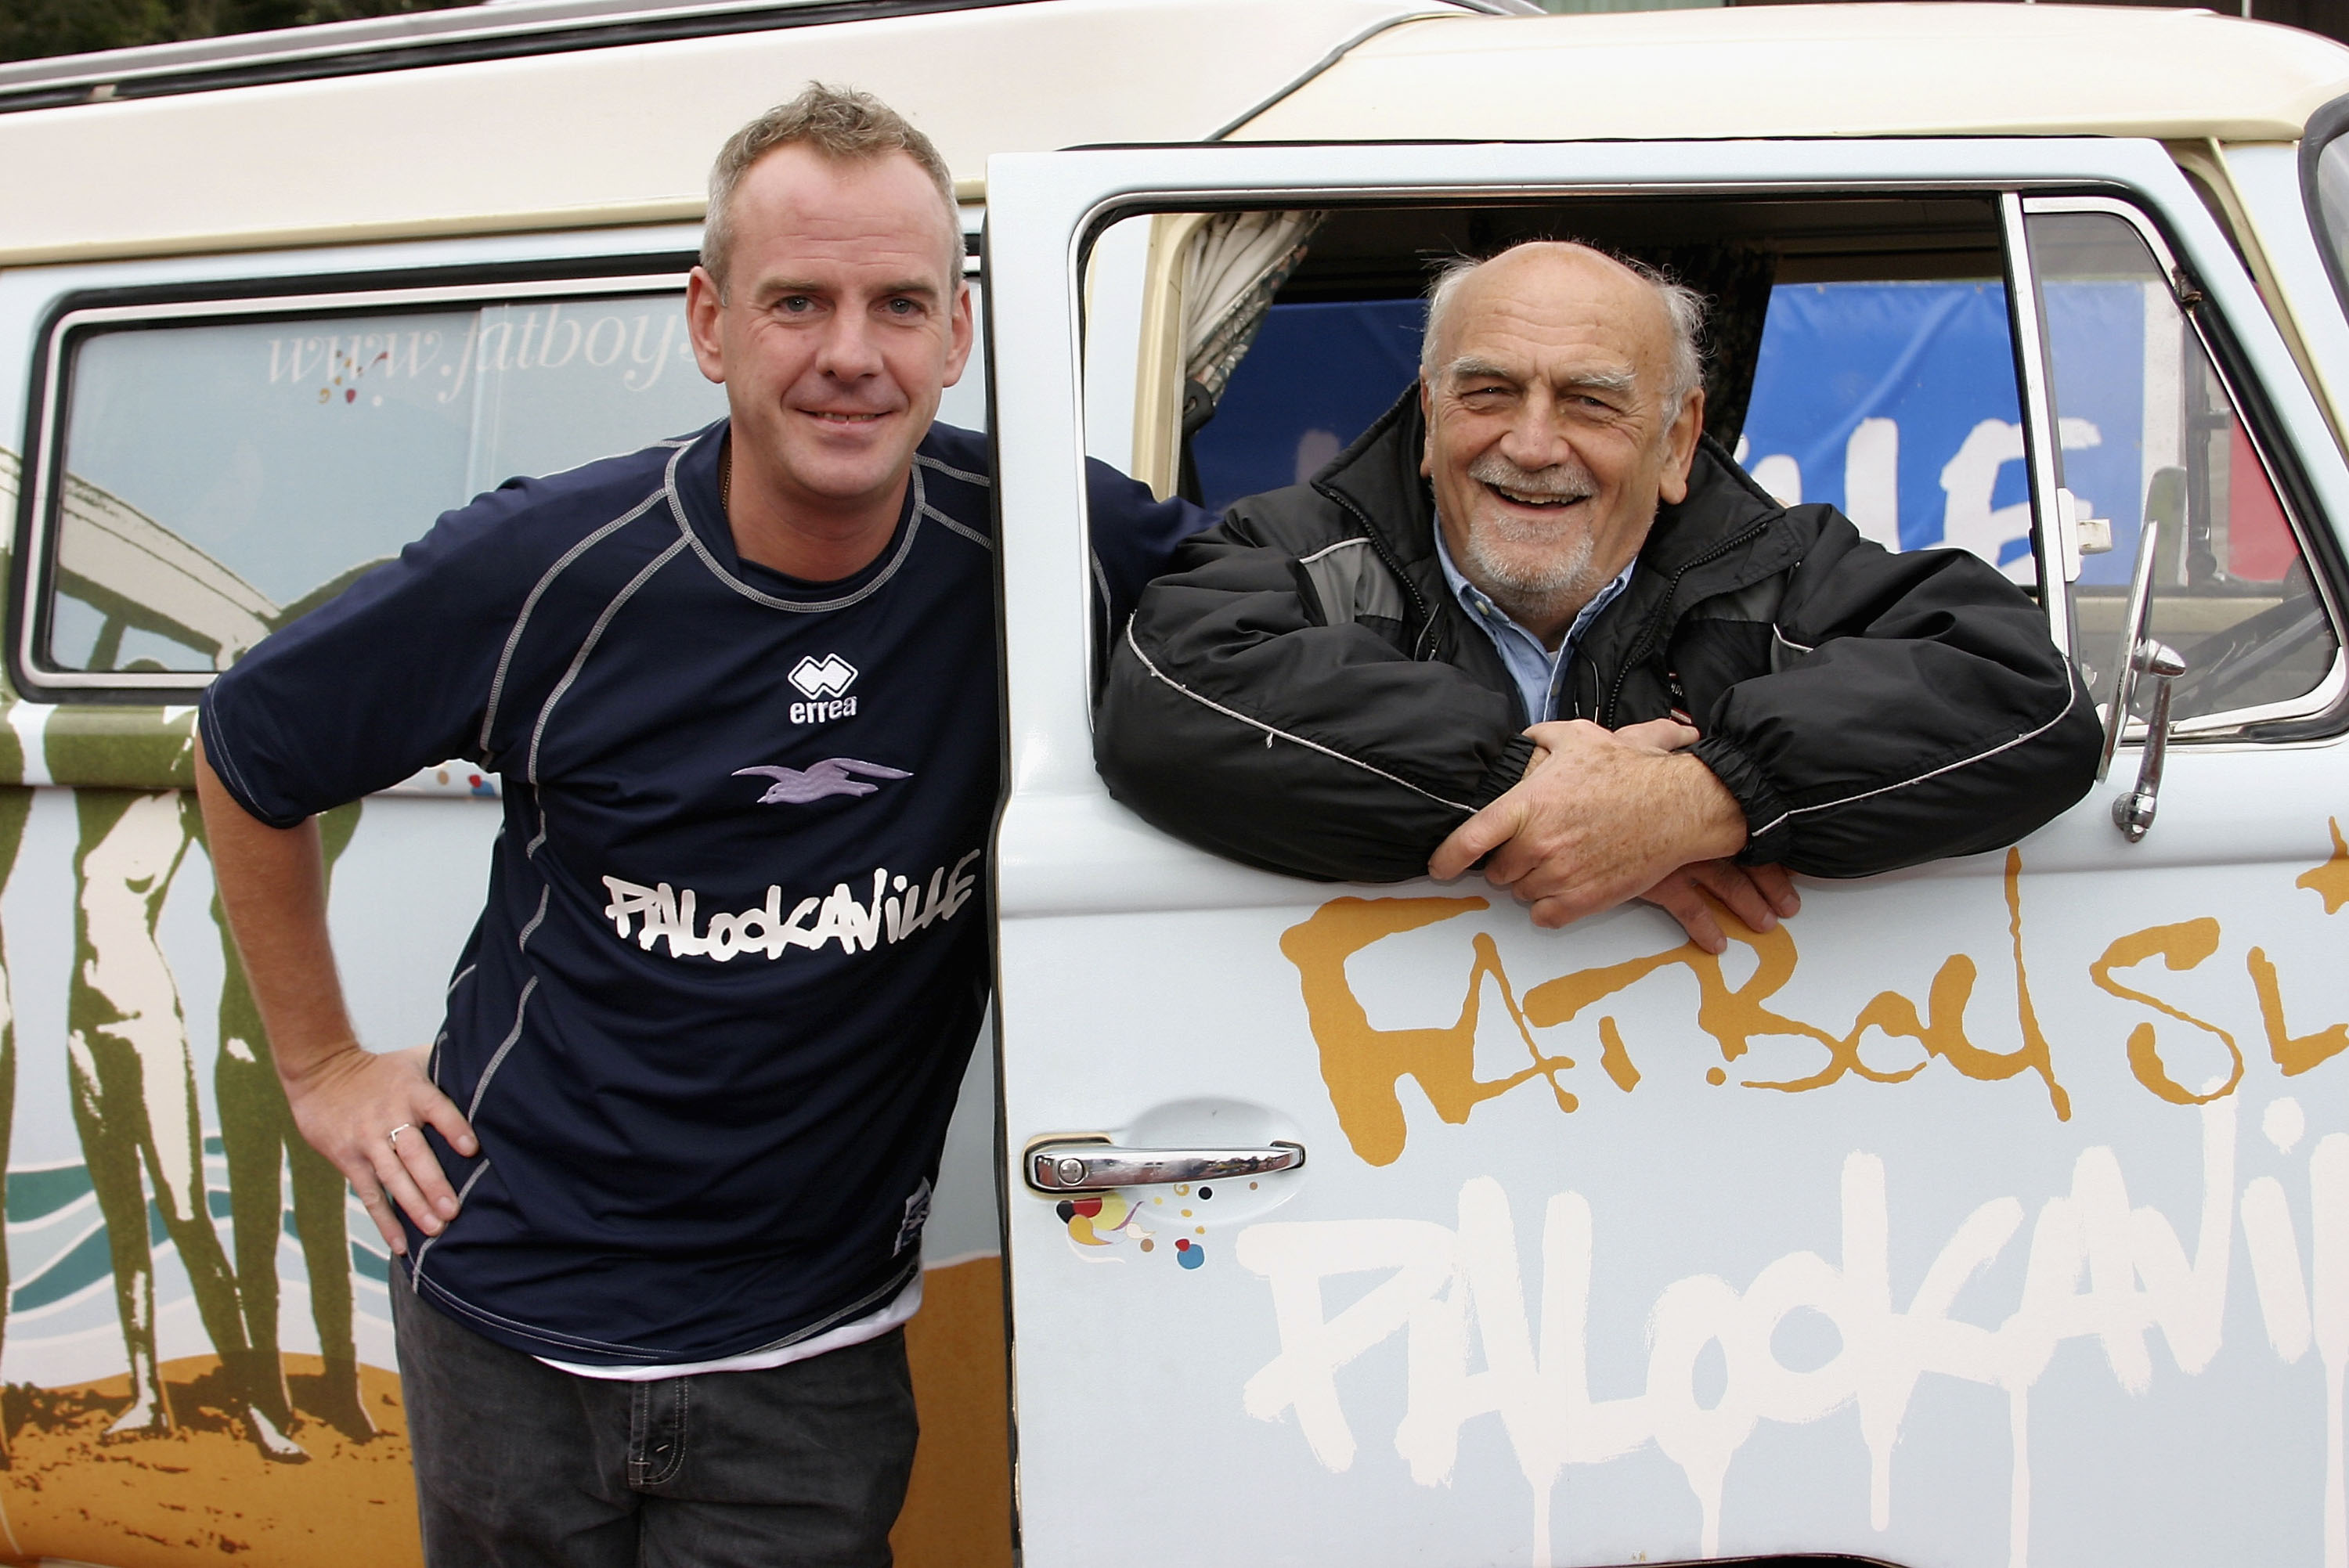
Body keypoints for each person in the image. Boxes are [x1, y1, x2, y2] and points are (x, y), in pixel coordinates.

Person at [195, 85, 1204, 1566]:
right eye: (797, 301)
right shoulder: (548, 567)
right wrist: (323, 1062)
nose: (851, 354)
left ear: (960, 332)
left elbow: (1306, 624)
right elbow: (248, 747)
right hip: (510, 1319)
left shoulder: (1047, 542)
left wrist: (1643, 763)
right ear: (711, 322)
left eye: (899, 305)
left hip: (815, 1349)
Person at [1095, 240, 2101, 952]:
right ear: (1433, 410)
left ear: (1675, 440)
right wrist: (1552, 813)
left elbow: (2029, 697)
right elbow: (1169, 700)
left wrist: (1704, 795)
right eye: (1489, 393)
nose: (1532, 445)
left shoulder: (1781, 568)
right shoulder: (1289, 549)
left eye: (1590, 401)